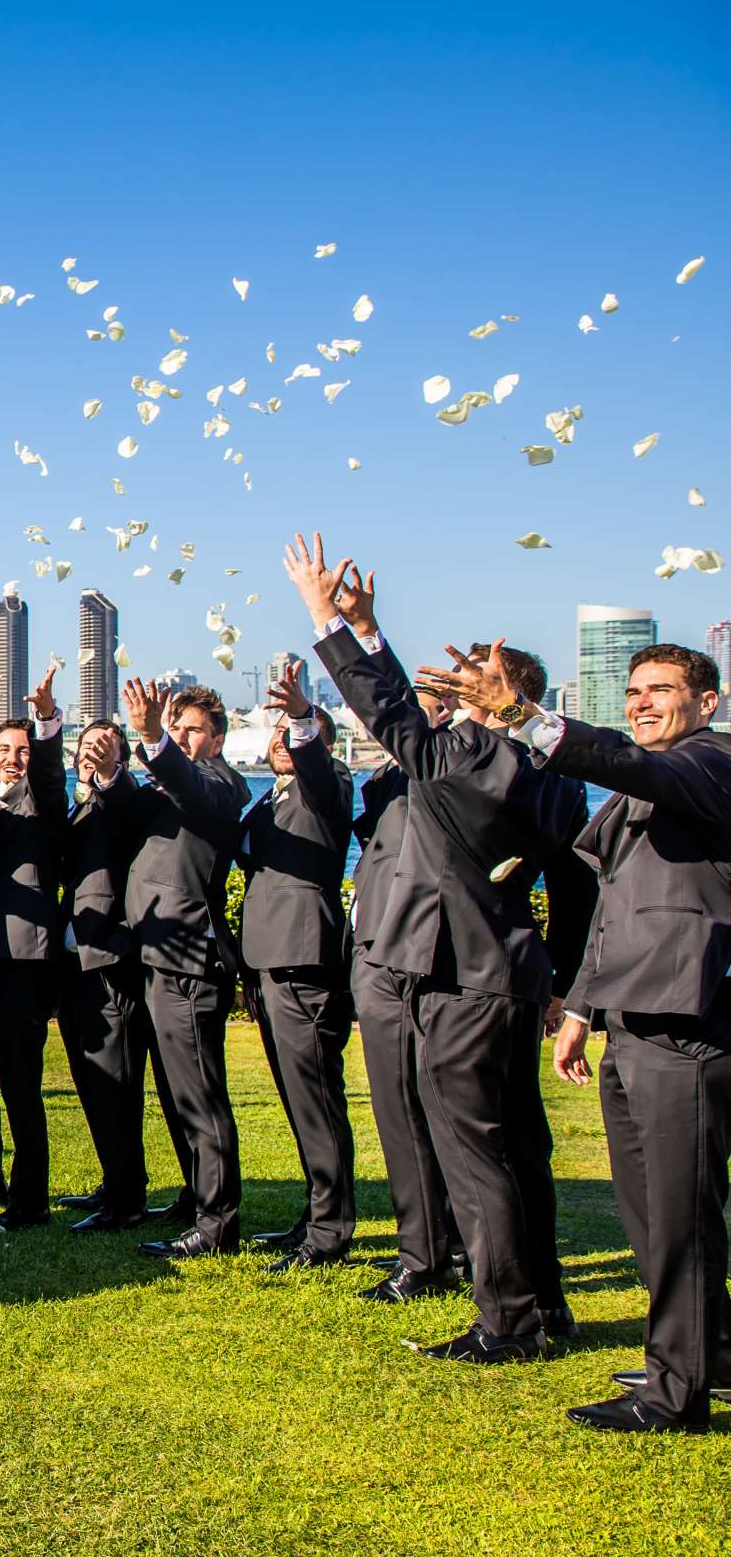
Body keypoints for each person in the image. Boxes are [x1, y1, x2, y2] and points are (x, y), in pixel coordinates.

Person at [289, 534, 590, 1361]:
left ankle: (509, 1322)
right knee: (521, 1145)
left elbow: (389, 716)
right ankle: (546, 1299)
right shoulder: (550, 772)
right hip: (507, 973)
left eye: (468, 688)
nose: (451, 698)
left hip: (464, 976)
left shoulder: (478, 757)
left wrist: (331, 620)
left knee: (474, 1149)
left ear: (504, 699)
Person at [423, 638, 731, 1431]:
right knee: (651, 1212)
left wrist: (523, 718)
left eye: (660, 689)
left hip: (686, 1027)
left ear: (708, 702)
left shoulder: (711, 762)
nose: (641, 702)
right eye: (633, 691)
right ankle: (711, 1350)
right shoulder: (648, 787)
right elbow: (615, 909)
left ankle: (677, 1394)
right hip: (630, 1022)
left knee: (682, 1215)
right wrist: (584, 1008)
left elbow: (632, 765)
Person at [112, 676, 250, 1259]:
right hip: (155, 959)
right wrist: (108, 768)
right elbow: (126, 804)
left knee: (199, 1095)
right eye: (176, 729)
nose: (183, 739)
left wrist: (152, 738)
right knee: (175, 1092)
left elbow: (190, 787)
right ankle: (197, 1197)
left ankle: (218, 1226)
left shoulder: (221, 786)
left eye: (193, 731)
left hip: (190, 960)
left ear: (216, 741)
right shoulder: (167, 790)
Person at [344, 678, 467, 1303]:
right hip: (378, 958)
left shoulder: (454, 773)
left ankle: (464, 1246)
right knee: (397, 1109)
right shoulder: (388, 783)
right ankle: (426, 1252)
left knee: (450, 1112)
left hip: (428, 960)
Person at [235, 664, 357, 1272]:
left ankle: (331, 1232)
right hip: (266, 960)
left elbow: (316, 772)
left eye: (295, 733)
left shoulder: (327, 783)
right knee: (295, 1095)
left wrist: (306, 721)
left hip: (304, 956)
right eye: (277, 733)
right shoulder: (269, 796)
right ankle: (315, 1215)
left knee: (315, 1096)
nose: (281, 741)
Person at [60, 719, 195, 1233]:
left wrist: (112, 774)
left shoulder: (127, 799)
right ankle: (116, 1180)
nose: (93, 755)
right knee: (94, 1082)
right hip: (75, 958)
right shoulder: (78, 804)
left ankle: (127, 1200)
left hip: (113, 958)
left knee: (118, 1082)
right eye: (86, 747)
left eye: (106, 747)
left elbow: (122, 808)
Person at [0, 662, 68, 1232]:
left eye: (21, 750)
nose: (12, 757)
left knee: (21, 1086)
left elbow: (51, 782)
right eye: (4, 749)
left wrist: (46, 721)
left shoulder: (43, 806)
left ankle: (30, 1201)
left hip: (23, 965)